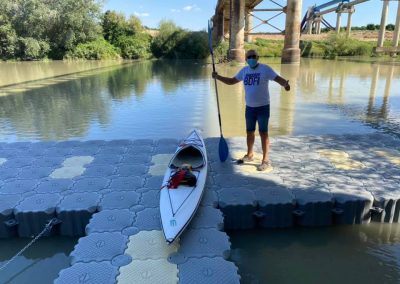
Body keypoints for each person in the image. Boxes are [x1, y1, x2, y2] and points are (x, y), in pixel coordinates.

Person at [212, 49, 290, 171]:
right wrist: (218, 77)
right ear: (246, 59)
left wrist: (286, 84)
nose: (251, 59)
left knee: (263, 133)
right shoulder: (244, 71)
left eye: (253, 56)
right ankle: (249, 155)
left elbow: (278, 79)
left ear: (257, 57)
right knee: (249, 132)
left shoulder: (265, 69)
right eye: (249, 57)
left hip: (263, 107)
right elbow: (232, 81)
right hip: (250, 108)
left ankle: (265, 160)